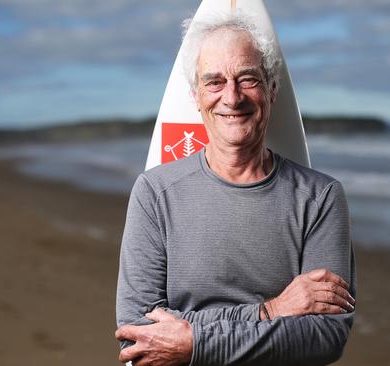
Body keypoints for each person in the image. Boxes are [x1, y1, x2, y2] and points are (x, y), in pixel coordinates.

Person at [115, 12, 356, 366]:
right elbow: (137, 334)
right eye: (214, 82)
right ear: (196, 96)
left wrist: (191, 342)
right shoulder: (155, 193)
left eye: (247, 79)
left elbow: (325, 337)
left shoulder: (320, 198)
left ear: (272, 89)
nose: (232, 97)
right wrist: (271, 311)